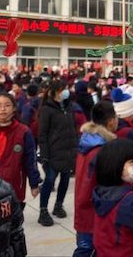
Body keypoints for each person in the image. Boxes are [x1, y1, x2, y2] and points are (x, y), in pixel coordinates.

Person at [73, 101, 117, 257]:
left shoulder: (87, 141)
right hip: (94, 212)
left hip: (84, 208)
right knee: (87, 251)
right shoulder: (101, 149)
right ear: (111, 121)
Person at [0, 92, 41, 209]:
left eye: (7, 105)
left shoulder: (23, 132)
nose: (3, 109)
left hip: (14, 185)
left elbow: (31, 159)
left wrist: (34, 183)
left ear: (14, 108)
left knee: (14, 222)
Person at [38, 80, 79, 226]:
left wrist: (76, 147)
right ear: (54, 92)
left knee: (65, 179)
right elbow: (42, 134)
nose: (66, 92)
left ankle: (58, 205)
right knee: (49, 181)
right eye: (63, 89)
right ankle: (43, 211)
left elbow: (73, 128)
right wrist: (44, 155)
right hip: (53, 152)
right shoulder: (47, 109)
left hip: (68, 150)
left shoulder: (69, 107)